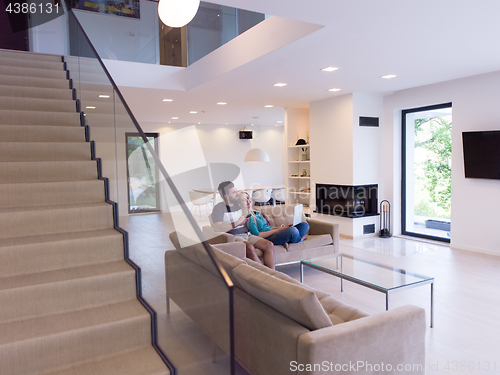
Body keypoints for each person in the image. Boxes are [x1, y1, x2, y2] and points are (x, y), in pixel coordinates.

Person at [211, 181, 275, 269]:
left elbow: (251, 207)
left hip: (247, 234)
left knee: (269, 245)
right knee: (249, 247)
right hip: (233, 236)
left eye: (236, 191)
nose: (237, 193)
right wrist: (237, 223)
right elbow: (218, 227)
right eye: (234, 192)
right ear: (226, 196)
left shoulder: (238, 203)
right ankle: (265, 275)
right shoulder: (219, 208)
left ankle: (273, 274)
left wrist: (264, 214)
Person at [239, 191, 309, 249]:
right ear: (240, 204)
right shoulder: (248, 218)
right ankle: (300, 239)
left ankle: (288, 241)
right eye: (244, 200)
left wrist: (283, 227)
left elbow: (268, 228)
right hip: (268, 238)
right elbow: (258, 235)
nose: (248, 200)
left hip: (273, 232)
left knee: (304, 225)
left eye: (248, 198)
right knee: (293, 230)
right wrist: (278, 230)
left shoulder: (257, 213)